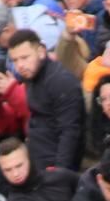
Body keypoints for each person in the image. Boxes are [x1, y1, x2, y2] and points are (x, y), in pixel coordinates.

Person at [6, 29, 84, 172]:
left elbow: (70, 131)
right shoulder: (31, 76)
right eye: (15, 60)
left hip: (55, 164)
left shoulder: (61, 81)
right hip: (37, 156)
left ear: (41, 52)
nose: (20, 65)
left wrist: (60, 171)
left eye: (24, 57)